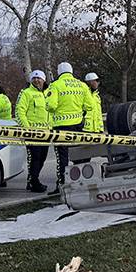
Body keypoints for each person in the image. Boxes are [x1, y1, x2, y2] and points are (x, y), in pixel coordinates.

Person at [46, 62, 95, 194]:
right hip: (78, 126)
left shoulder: (55, 85)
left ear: (59, 72)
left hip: (61, 127)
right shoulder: (82, 85)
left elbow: (51, 106)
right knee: (79, 156)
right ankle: (80, 183)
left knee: (62, 158)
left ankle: (62, 185)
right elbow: (90, 105)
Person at [15, 70, 50, 193]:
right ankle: (34, 183)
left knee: (42, 158)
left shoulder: (48, 93)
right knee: (35, 158)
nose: (36, 80)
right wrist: (27, 129)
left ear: (44, 79)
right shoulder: (26, 93)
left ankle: (32, 180)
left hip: (46, 133)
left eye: (39, 78)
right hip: (32, 134)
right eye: (34, 78)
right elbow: (19, 112)